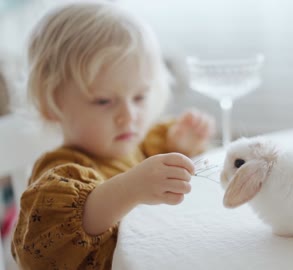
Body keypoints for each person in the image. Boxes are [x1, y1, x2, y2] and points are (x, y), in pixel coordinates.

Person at [11, 1, 215, 269]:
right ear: (52, 104)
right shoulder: (60, 175)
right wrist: (131, 188)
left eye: (139, 97)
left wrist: (180, 146)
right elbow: (36, 252)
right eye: (104, 101)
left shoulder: (137, 145)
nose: (128, 116)